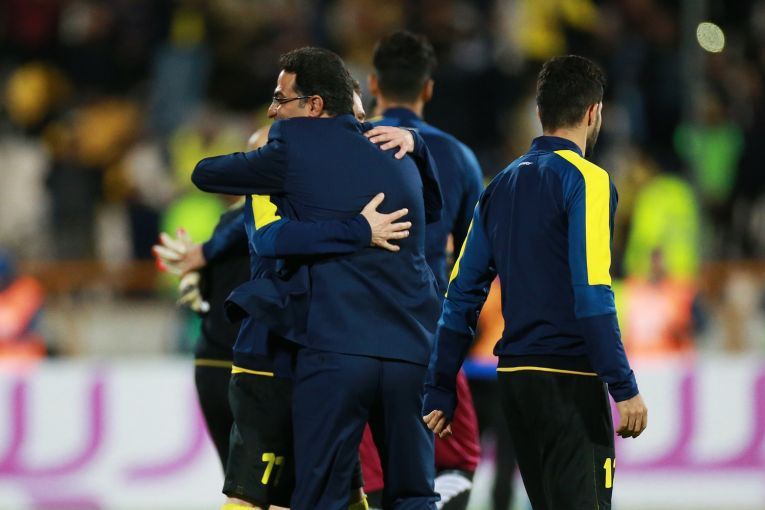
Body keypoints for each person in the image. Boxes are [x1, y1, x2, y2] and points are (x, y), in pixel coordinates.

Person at [192, 47, 442, 510]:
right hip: (411, 348)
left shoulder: (289, 150)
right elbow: (435, 210)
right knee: (412, 494)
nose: (273, 111)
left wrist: (355, 230)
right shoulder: (400, 149)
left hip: (329, 348)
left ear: (314, 105)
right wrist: (418, 144)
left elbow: (210, 179)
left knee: (316, 494)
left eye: (280, 98)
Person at [422, 55, 648, 510]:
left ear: (540, 112)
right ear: (594, 112)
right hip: (569, 376)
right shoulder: (588, 180)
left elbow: (461, 295)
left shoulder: (500, 185)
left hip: (516, 380)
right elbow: (592, 292)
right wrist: (622, 385)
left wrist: (440, 386)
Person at [360, 30, 482, 510]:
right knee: (455, 461)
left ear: (373, 84)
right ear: (428, 88)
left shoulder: (349, 146)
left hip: (351, 332)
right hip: (425, 331)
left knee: (366, 470)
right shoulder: (460, 158)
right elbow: (478, 256)